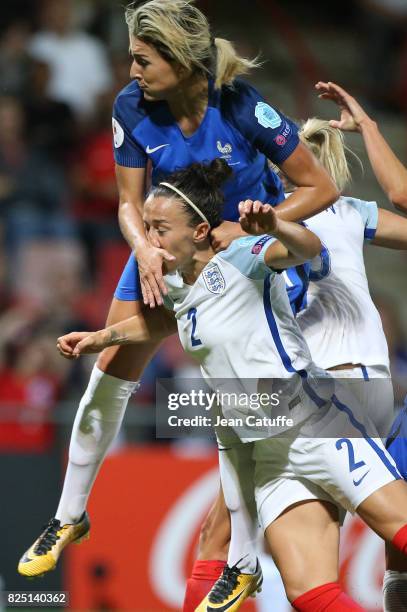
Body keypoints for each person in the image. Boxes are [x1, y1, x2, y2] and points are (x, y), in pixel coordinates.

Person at [17, 0, 338, 580]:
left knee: (234, 412)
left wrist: (246, 227)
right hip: (165, 251)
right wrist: (142, 248)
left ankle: (243, 557)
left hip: (244, 264)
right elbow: (126, 202)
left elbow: (319, 187)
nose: (133, 71)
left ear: (183, 59)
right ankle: (69, 516)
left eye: (143, 60)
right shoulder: (129, 107)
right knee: (108, 369)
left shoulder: (241, 105)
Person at [54, 158, 407, 612]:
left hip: (315, 424)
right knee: (308, 592)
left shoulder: (243, 257)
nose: (148, 239)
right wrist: (102, 337)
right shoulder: (180, 286)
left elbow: (305, 249)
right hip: (270, 458)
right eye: (145, 227)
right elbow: (162, 321)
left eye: (159, 228)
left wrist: (277, 224)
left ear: (198, 232)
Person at [188, 87, 407, 611]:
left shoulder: (239, 232)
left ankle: (240, 561)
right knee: (315, 585)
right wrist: (372, 128)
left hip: (315, 396)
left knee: (215, 539)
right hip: (371, 387)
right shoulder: (351, 210)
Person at [314, 80, 407, 612]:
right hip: (375, 386)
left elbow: (399, 195)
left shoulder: (267, 218)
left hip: (330, 388)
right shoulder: (346, 212)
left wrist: (369, 127)